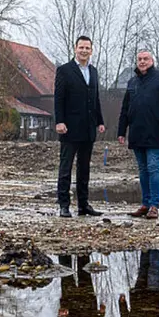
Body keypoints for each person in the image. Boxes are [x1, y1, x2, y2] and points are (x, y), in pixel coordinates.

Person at [117, 50, 159, 220]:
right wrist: (121, 131)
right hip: (136, 133)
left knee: (153, 167)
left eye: (146, 59)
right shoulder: (132, 82)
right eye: (140, 59)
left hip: (155, 132)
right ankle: (145, 204)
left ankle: (154, 206)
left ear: (152, 61)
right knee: (143, 170)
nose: (142, 62)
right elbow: (125, 109)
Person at [55, 36, 105, 218]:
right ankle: (64, 205)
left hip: (88, 128)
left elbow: (95, 98)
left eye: (87, 48)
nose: (84, 50)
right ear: (75, 49)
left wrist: (100, 121)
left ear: (91, 50)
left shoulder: (93, 71)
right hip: (69, 128)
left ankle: (83, 205)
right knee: (66, 168)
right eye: (81, 47)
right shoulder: (64, 71)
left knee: (84, 169)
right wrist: (59, 121)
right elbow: (59, 98)